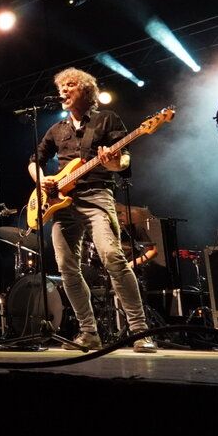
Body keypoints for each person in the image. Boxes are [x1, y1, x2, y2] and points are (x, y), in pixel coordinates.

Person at [28, 68, 156, 353]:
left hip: (97, 194)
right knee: (66, 268)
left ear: (86, 90)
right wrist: (42, 179)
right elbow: (35, 160)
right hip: (62, 202)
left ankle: (140, 331)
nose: (63, 90)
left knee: (113, 257)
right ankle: (88, 333)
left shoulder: (106, 118)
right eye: (61, 86)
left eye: (70, 85)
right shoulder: (56, 129)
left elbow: (123, 160)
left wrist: (111, 162)